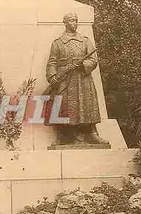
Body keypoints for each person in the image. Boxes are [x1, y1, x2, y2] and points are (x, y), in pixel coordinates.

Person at [43, 12, 108, 145]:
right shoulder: (58, 43)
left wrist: (83, 65)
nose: (74, 23)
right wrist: (53, 76)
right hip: (65, 80)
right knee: (63, 105)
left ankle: (92, 133)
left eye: (76, 20)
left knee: (87, 105)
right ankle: (63, 135)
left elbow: (93, 60)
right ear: (65, 23)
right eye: (71, 21)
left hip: (83, 79)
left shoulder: (85, 41)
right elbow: (52, 62)